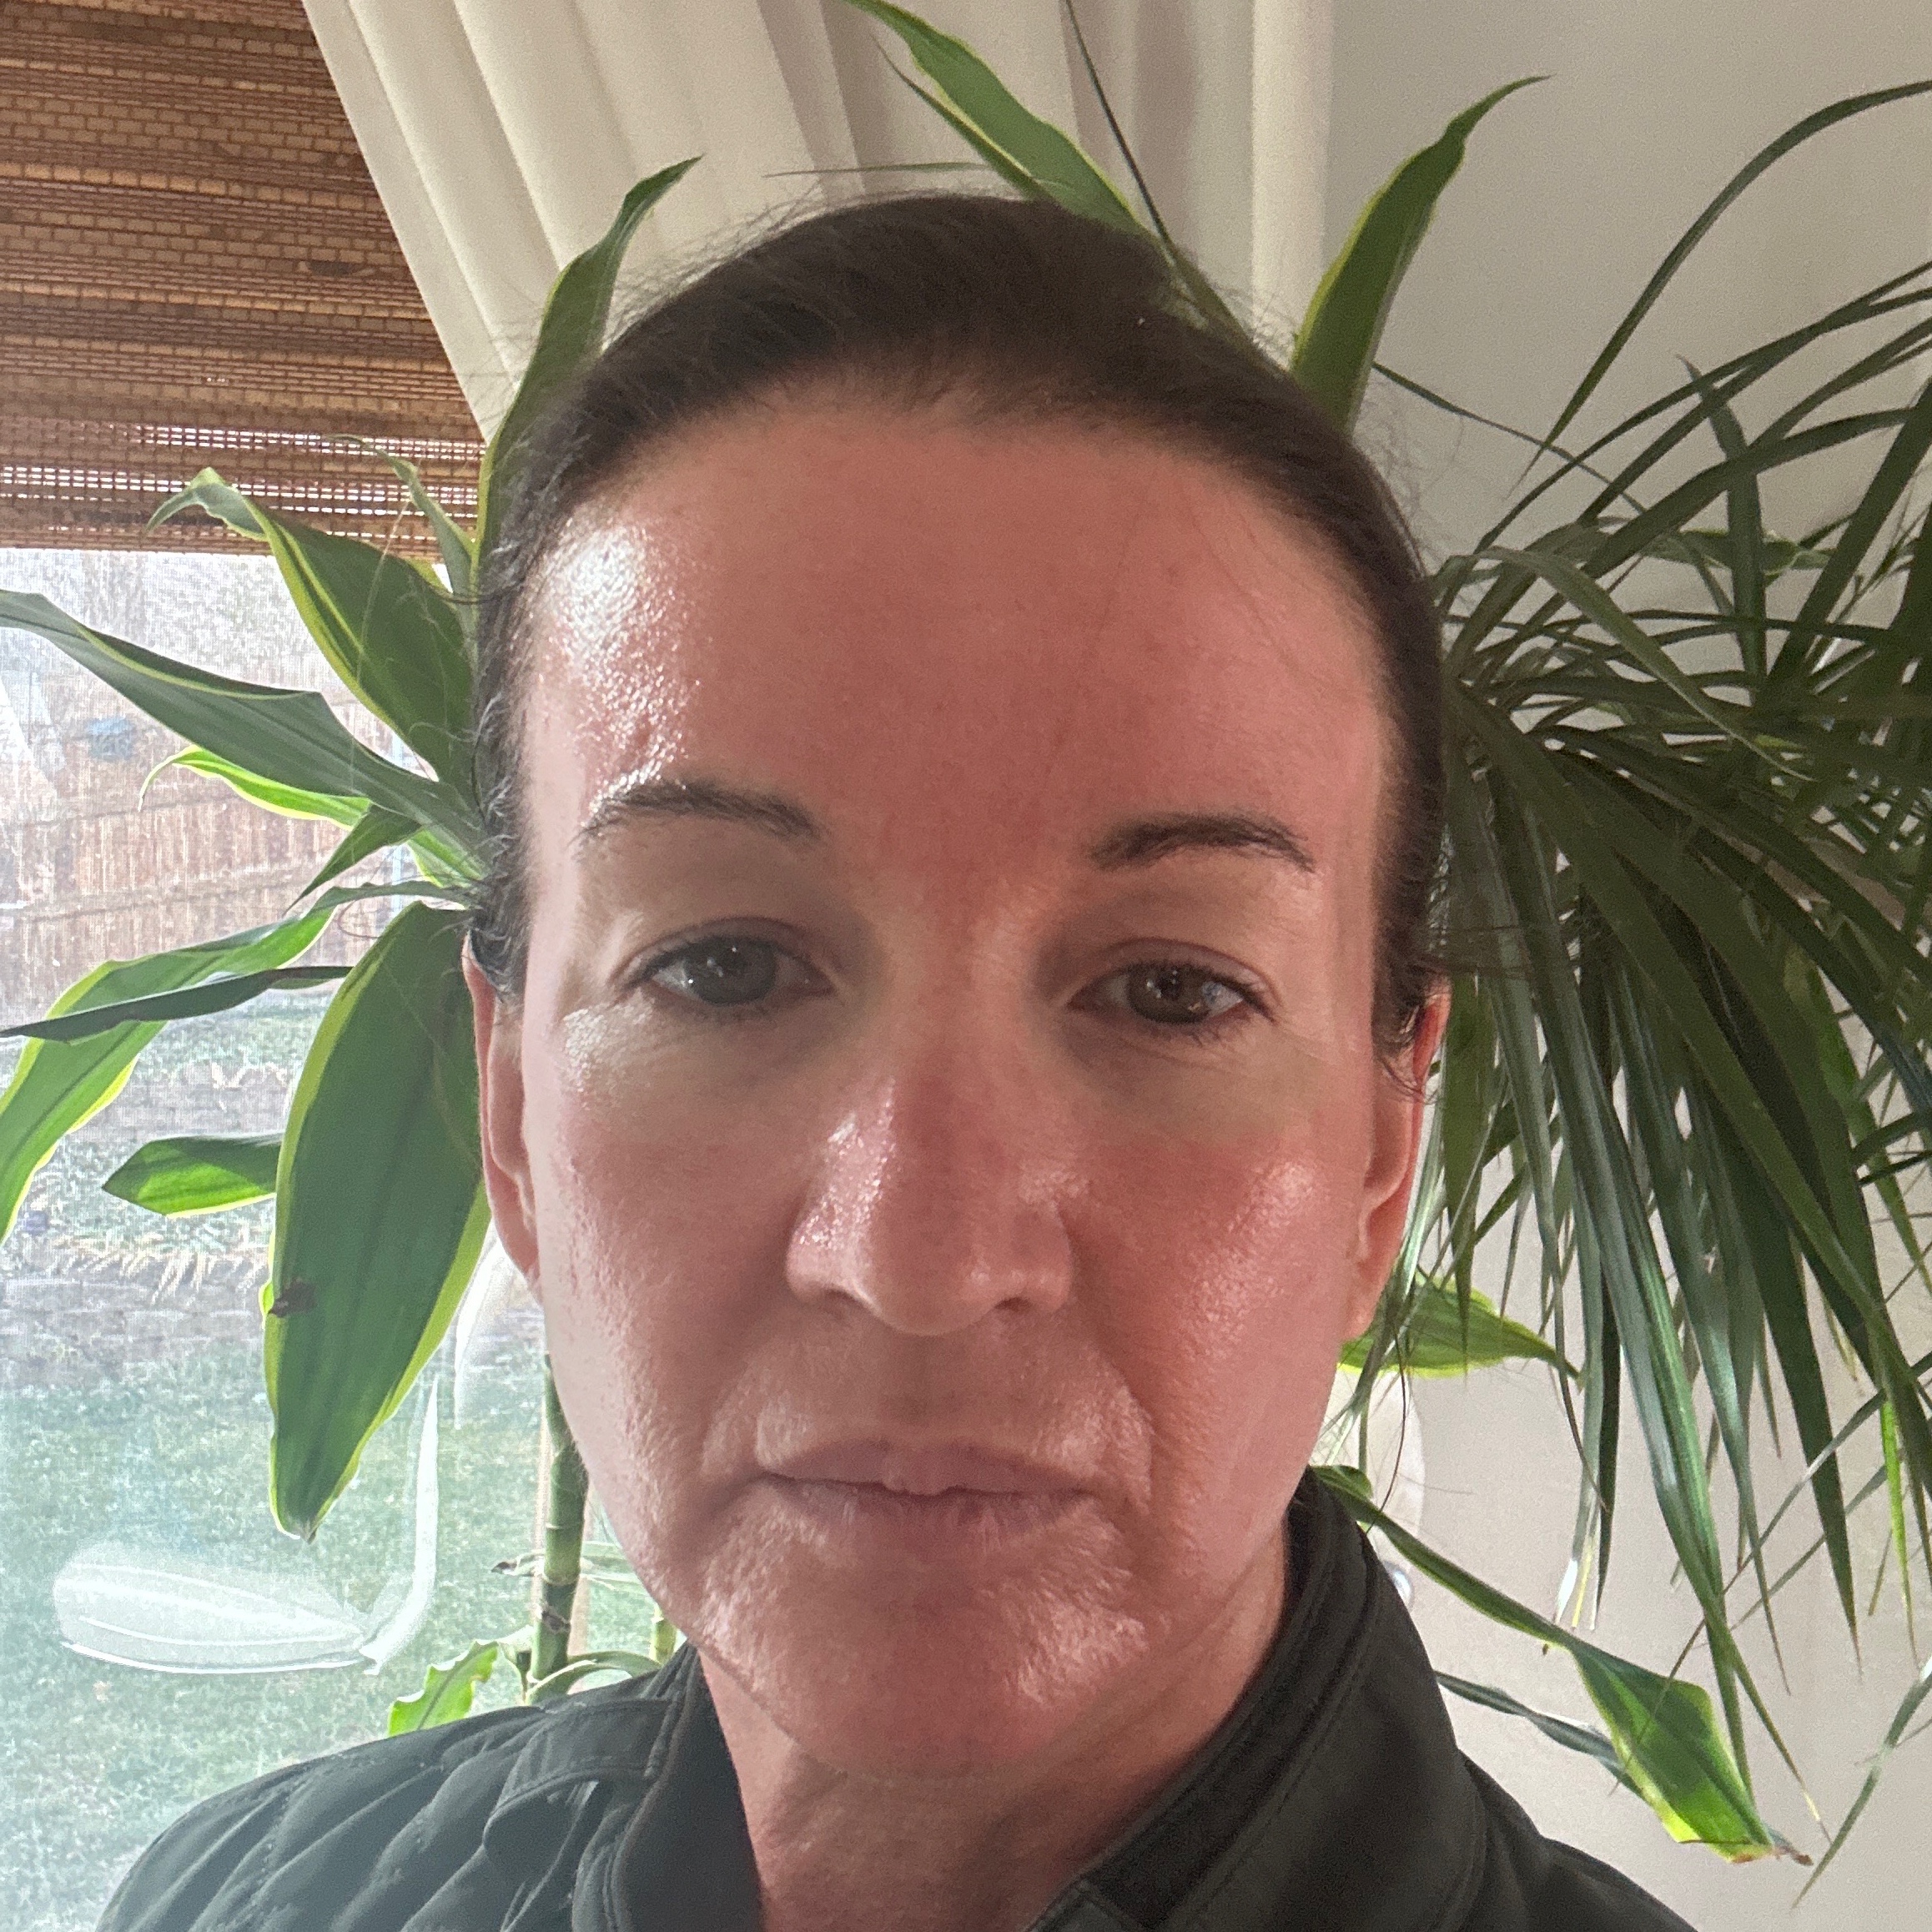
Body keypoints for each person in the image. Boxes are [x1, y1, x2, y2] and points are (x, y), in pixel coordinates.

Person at [98, 194, 1693, 1932]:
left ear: (1382, 1156)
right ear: (512, 1116)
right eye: (722, 967)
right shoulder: (240, 1898)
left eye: (1169, 990)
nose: (920, 1259)